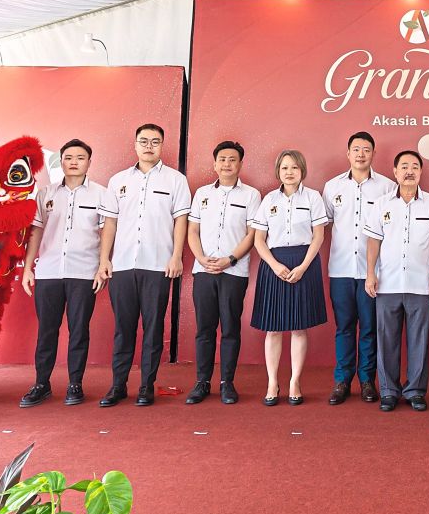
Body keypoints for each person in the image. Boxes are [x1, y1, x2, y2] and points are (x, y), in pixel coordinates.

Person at [98, 124, 191, 408]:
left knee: (153, 328)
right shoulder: (118, 181)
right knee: (123, 329)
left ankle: (146, 386)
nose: (149, 146)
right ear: (135, 145)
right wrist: (105, 259)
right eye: (144, 141)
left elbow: (181, 221)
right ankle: (118, 386)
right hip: (123, 265)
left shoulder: (175, 180)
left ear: (162, 145)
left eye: (155, 141)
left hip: (158, 265)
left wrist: (176, 256)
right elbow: (110, 223)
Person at [19, 139, 114, 407]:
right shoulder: (46, 194)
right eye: (68, 157)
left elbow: (107, 229)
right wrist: (28, 268)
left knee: (79, 330)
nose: (74, 162)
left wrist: (103, 263)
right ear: (60, 162)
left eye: (80, 158)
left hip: (83, 272)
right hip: (48, 271)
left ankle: (75, 384)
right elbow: (36, 231)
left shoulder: (101, 194)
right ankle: (42, 384)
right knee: (46, 331)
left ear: (89, 162)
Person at [364, 150, 429, 412]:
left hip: (420, 283)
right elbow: (373, 241)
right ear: (395, 172)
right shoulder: (382, 204)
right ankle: (388, 391)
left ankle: (415, 391)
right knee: (386, 340)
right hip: (387, 283)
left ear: (421, 172)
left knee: (419, 340)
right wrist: (370, 273)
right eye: (404, 166)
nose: (409, 171)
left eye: (414, 167)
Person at [321, 132, 397, 405]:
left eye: (366, 149)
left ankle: (367, 381)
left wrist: (375, 270)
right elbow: (325, 224)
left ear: (374, 154)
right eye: (356, 149)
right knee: (344, 327)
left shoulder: (387, 187)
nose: (361, 154)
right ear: (348, 153)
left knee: (369, 328)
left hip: (372, 272)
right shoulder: (332, 187)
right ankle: (342, 380)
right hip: (340, 268)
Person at [250, 150, 329, 406]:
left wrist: (304, 266)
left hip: (304, 263)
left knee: (298, 327)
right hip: (275, 265)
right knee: (273, 328)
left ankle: (295, 381)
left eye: (294, 167)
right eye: (284, 168)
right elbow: (259, 240)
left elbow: (318, 236)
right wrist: (274, 265)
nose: (289, 172)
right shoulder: (269, 200)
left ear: (302, 170)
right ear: (278, 171)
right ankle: (272, 382)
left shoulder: (313, 197)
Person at [185, 140, 261, 405]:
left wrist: (230, 259)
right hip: (204, 270)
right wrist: (201, 258)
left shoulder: (251, 195)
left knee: (230, 328)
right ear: (215, 164)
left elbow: (252, 234)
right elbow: (192, 231)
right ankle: (202, 382)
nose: (227, 164)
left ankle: (227, 382)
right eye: (222, 159)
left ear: (240, 164)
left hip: (234, 271)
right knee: (204, 329)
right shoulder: (202, 194)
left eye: (232, 159)